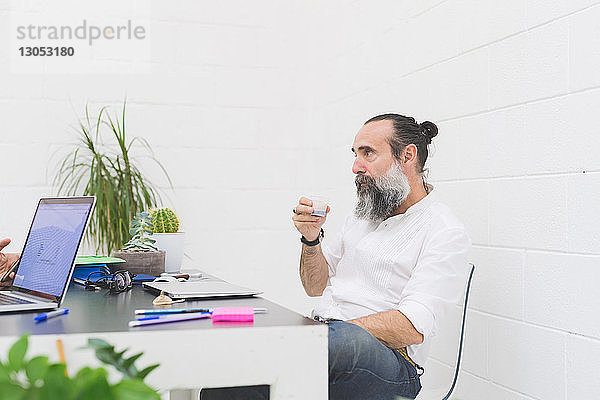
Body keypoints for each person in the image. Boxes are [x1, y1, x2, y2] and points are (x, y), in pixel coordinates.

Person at [292, 114, 471, 400]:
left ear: (407, 156)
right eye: (355, 154)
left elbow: (412, 327)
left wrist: (330, 333)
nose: (355, 167)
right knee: (253, 363)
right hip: (334, 342)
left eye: (368, 153)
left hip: (394, 365)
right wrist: (310, 238)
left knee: (327, 344)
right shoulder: (363, 216)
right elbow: (315, 286)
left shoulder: (444, 231)